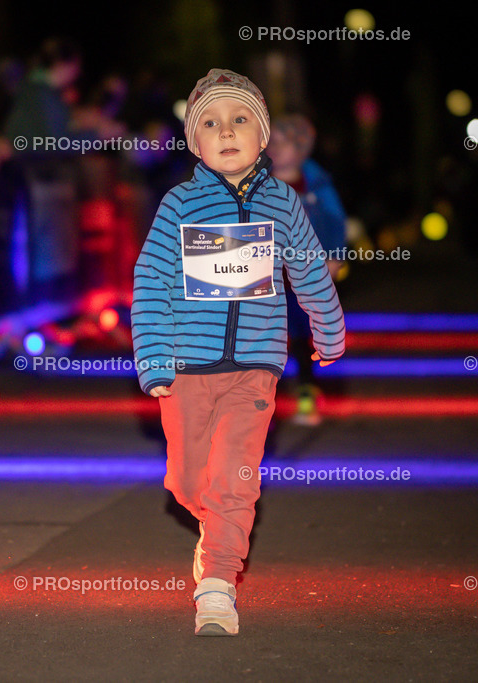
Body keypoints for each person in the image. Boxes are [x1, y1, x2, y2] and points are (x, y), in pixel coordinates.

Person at [131, 69, 345, 635]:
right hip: (186, 367)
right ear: (194, 142)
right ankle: (214, 525)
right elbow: (150, 281)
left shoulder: (283, 203)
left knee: (236, 476)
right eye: (211, 122)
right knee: (189, 478)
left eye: (241, 119)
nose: (227, 131)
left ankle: (218, 582)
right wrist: (153, 358)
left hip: (255, 367)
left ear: (264, 134)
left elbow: (307, 267)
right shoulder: (179, 204)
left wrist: (328, 328)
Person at [265, 114, 348, 425]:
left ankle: (306, 392)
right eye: (269, 142)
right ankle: (258, 399)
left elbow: (334, 220)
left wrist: (334, 256)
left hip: (303, 277)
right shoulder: (257, 180)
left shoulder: (317, 183)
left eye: (281, 143)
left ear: (300, 148)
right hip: (265, 275)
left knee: (302, 336)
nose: (272, 148)